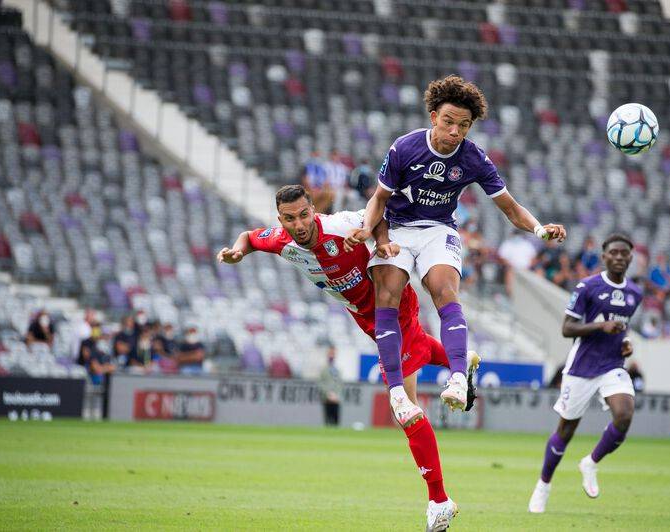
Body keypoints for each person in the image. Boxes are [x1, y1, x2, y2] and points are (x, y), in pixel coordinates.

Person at [217, 185, 478, 530]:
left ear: (313, 210)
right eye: (290, 219)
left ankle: (439, 500)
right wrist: (237, 251)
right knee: (417, 349)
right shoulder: (281, 241)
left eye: (304, 215)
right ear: (280, 219)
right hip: (365, 317)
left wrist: (380, 241)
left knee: (405, 410)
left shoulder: (340, 224)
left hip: (392, 306)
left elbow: (379, 212)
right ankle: (460, 362)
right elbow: (250, 238)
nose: (299, 224)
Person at [345, 75, 565, 422]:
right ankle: (398, 394)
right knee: (387, 296)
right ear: (433, 116)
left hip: (438, 230)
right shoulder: (405, 147)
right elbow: (379, 198)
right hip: (398, 228)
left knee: (445, 291)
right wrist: (367, 229)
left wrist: (540, 229)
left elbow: (510, 207)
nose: (455, 131)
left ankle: (459, 379)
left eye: (463, 125)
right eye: (448, 121)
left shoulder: (474, 158)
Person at [529, 234, 643, 513]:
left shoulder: (635, 293)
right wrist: (599, 327)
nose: (619, 257)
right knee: (566, 430)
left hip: (613, 365)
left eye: (624, 253)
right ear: (604, 257)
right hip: (581, 367)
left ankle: (590, 462)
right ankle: (543, 485)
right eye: (613, 252)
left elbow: (623, 327)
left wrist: (626, 343)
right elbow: (567, 328)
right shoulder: (587, 287)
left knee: (624, 415)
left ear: (630, 258)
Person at [497, 230, 538, 295]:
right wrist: (510, 265)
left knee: (536, 273)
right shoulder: (507, 244)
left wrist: (528, 267)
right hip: (512, 268)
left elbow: (533, 259)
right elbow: (502, 258)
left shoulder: (527, 245)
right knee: (509, 273)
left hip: (526, 269)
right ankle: (510, 294)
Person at [318, 345, 343, 426]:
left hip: (336, 399)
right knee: (327, 421)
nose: (332, 355)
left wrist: (336, 395)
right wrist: (328, 394)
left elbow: (339, 384)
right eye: (330, 353)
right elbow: (321, 383)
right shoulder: (323, 369)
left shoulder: (338, 369)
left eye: (333, 353)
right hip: (326, 398)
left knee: (336, 421)